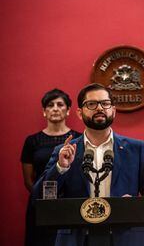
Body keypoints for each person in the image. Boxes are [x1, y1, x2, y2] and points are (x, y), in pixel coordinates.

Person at [31, 83, 144, 246]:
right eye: (92, 104)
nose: (100, 108)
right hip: (76, 239)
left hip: (126, 239)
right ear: (80, 113)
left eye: (105, 103)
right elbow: (39, 195)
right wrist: (60, 167)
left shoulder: (135, 149)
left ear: (113, 110)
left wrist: (135, 206)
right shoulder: (64, 151)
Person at [21, 88, 81, 246]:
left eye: (60, 104)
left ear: (68, 111)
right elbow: (28, 180)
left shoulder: (79, 139)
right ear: (44, 111)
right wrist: (43, 199)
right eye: (50, 105)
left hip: (71, 205)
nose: (55, 108)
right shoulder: (32, 141)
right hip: (40, 204)